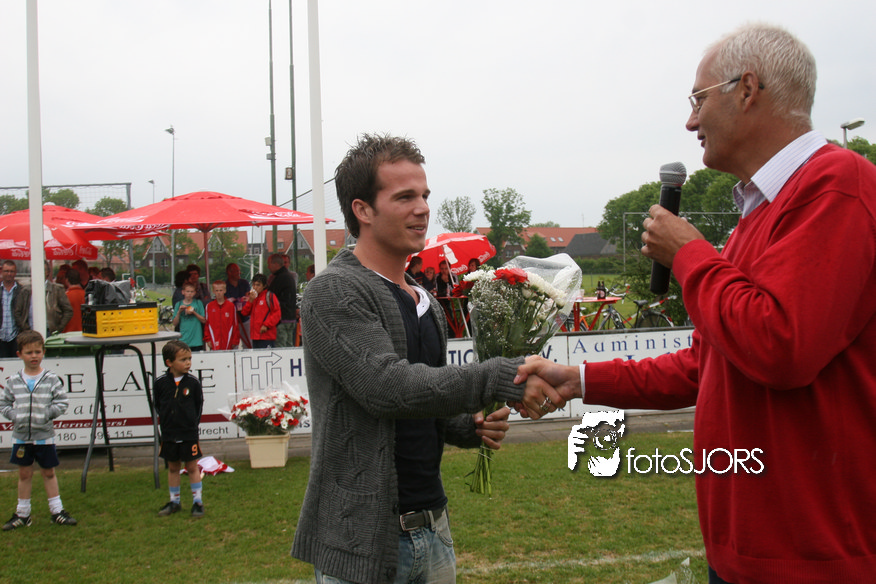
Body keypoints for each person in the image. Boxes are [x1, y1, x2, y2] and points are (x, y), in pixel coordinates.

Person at [516, 24, 876, 584]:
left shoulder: (838, 186)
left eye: (698, 100)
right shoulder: (761, 211)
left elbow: (781, 346)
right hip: (746, 553)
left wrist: (688, 254)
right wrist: (580, 379)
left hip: (813, 559)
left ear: (747, 89)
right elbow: (709, 364)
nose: (690, 122)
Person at [290, 133, 559, 584]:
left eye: (425, 195)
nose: (422, 209)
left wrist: (466, 425)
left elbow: (422, 397)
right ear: (363, 210)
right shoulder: (333, 291)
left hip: (433, 530)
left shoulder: (425, 301)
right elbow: (387, 388)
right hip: (361, 542)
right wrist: (499, 376)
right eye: (405, 197)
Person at [0, 330, 77, 529]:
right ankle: (23, 514)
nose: (33, 356)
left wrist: (46, 414)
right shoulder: (14, 380)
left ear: (43, 352)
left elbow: (62, 402)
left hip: (44, 436)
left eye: (37, 352)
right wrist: (16, 416)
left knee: (48, 472)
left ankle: (57, 511)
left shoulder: (51, 378)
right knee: (24, 474)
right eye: (29, 352)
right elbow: (4, 404)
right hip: (21, 437)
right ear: (19, 354)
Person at [153, 340, 205, 518]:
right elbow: (158, 405)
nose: (188, 363)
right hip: (169, 434)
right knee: (173, 467)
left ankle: (197, 502)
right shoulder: (160, 383)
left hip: (188, 433)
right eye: (183, 360)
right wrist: (167, 422)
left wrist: (191, 425)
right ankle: (174, 502)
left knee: (192, 466)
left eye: (189, 359)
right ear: (169, 362)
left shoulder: (193, 382)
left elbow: (198, 405)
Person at [18, 261, 74, 337]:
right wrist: (25, 327)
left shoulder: (57, 289)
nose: (39, 272)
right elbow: (18, 312)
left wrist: (58, 328)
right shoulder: (25, 290)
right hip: (30, 331)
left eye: (42, 269)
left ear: (48, 272)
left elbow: (68, 311)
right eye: (36, 269)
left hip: (49, 332)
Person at [241, 273, 280, 349]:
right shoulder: (254, 298)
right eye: (254, 285)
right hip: (255, 336)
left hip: (266, 336)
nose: (255, 287)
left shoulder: (269, 296)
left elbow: (277, 313)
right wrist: (250, 301)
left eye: (258, 285)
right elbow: (244, 313)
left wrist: (266, 325)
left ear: (264, 285)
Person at [267, 253, 297, 347]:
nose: (268, 267)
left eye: (269, 264)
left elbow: (271, 296)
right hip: (291, 317)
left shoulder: (280, 278)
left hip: (282, 318)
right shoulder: (288, 276)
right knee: (289, 346)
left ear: (276, 264)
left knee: (281, 348)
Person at [0, 261, 27, 359]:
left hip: (17, 336)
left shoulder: (22, 290)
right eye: (6, 271)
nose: (9, 274)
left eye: (12, 271)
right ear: (1, 272)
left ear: (15, 273)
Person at [204, 280, 239, 351]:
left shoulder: (231, 306)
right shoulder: (209, 306)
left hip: (228, 340)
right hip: (214, 339)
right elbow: (207, 324)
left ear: (225, 291)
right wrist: (208, 339)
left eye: (221, 290)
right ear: (213, 291)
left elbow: (235, 324)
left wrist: (235, 340)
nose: (219, 293)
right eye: (216, 290)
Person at [224, 262, 251, 349]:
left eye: (239, 271)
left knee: (248, 343)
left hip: (245, 318)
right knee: (232, 344)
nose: (239, 273)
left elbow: (248, 297)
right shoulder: (225, 286)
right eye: (236, 271)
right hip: (231, 320)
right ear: (229, 272)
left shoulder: (244, 283)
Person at [172, 283, 206, 352]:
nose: (189, 294)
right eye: (187, 291)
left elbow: (204, 320)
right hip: (183, 339)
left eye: (192, 292)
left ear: (195, 293)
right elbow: (174, 323)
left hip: (197, 340)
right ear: (183, 292)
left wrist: (194, 312)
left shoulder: (198, 303)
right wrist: (179, 312)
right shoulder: (178, 304)